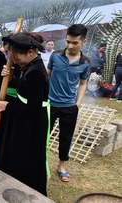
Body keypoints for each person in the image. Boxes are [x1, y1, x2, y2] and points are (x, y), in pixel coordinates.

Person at [0, 32, 49, 196]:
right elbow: (22, 87)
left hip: (33, 122)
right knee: (18, 156)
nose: (15, 62)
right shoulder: (28, 65)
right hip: (24, 118)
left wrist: (8, 106)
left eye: (17, 58)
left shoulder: (36, 73)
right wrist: (10, 76)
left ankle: (30, 193)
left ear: (31, 52)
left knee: (27, 159)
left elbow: (33, 109)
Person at [47, 24, 89, 182]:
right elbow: (47, 75)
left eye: (75, 43)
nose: (70, 46)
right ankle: (38, 160)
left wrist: (77, 103)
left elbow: (83, 83)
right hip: (50, 104)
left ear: (83, 42)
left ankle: (61, 166)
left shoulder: (85, 62)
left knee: (66, 137)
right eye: (68, 42)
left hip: (69, 107)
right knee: (43, 134)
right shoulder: (55, 56)